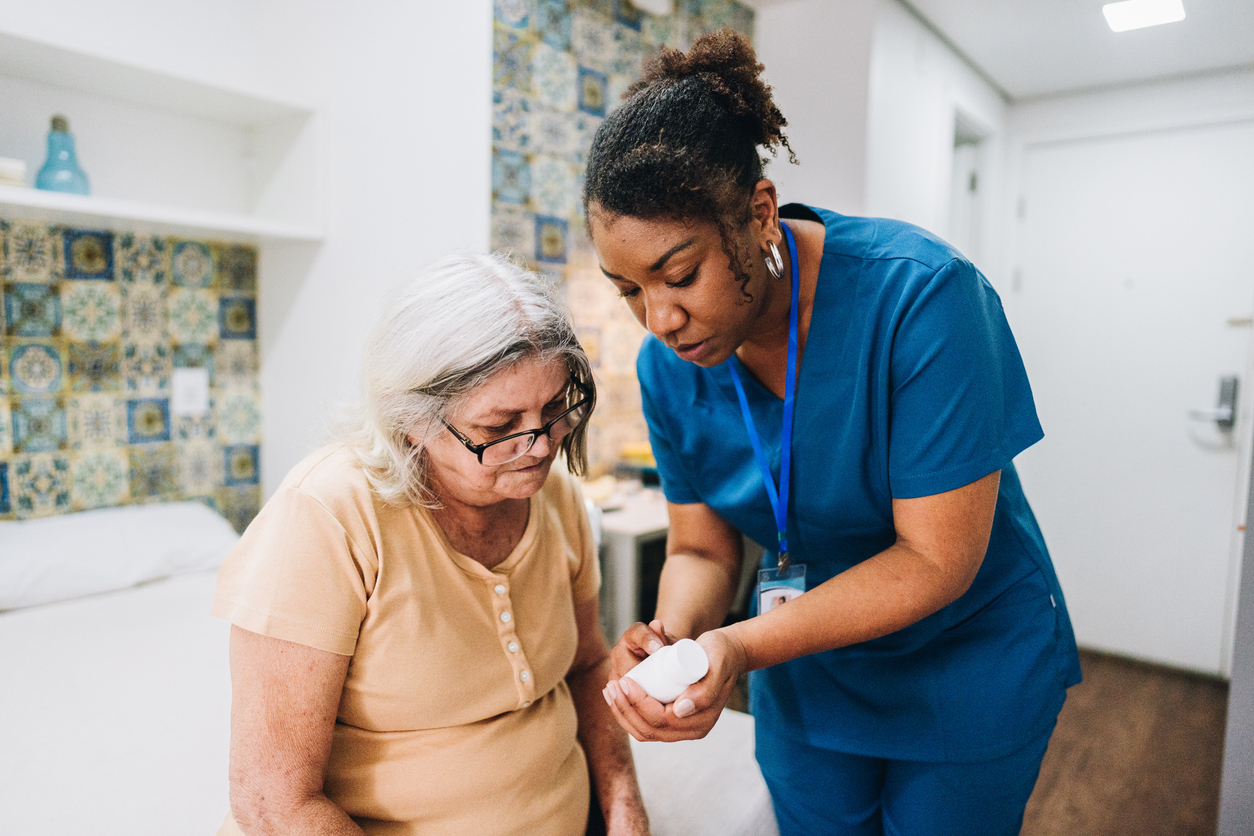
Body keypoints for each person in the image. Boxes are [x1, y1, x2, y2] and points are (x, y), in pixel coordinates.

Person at [582, 30, 1082, 836]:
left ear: (759, 212)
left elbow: (935, 559)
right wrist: (675, 638)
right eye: (628, 289)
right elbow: (702, 549)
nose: (660, 319)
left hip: (962, 667)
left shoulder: (922, 300)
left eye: (679, 276)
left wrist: (738, 647)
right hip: (806, 672)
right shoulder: (668, 365)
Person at [212, 252, 650, 836]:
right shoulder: (328, 517)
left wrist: (624, 807)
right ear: (412, 419)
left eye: (554, 409)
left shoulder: (555, 496)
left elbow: (587, 664)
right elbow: (273, 804)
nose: (542, 447)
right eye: (499, 428)